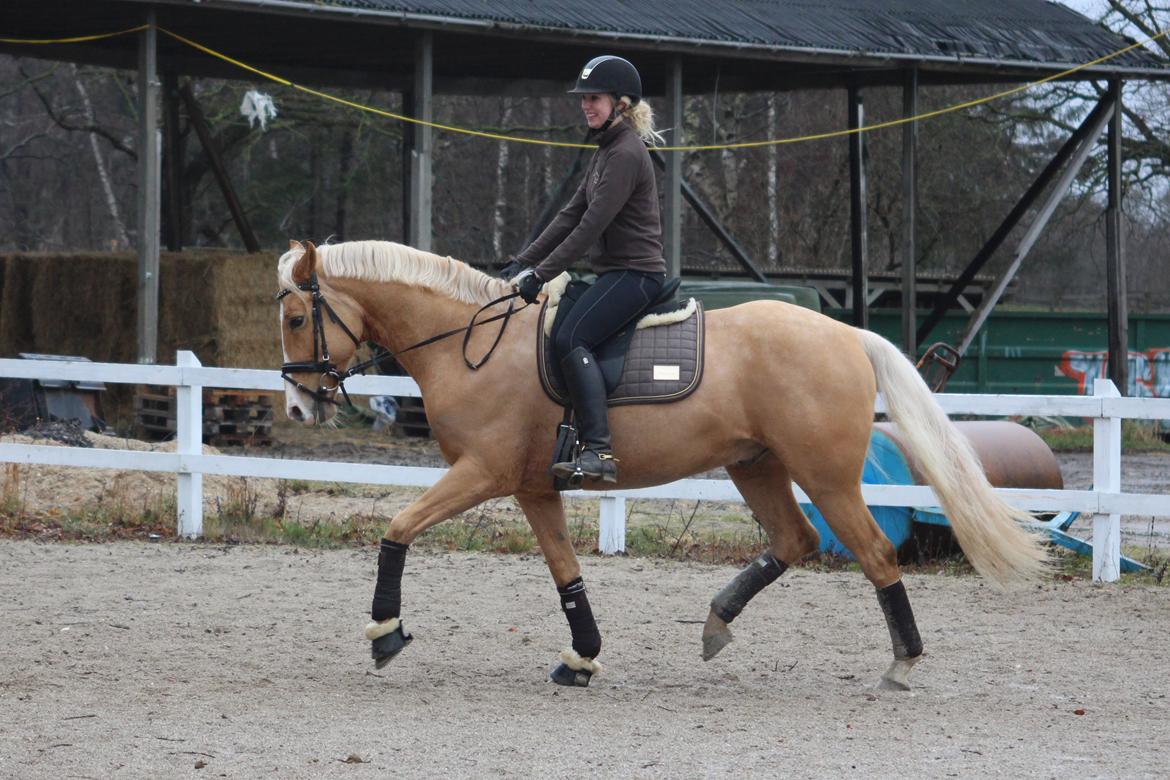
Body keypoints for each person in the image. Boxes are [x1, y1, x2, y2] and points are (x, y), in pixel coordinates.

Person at [510, 55, 668, 484]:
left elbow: (589, 227)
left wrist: (540, 275)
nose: (586, 106)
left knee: (570, 335)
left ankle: (598, 450)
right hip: (613, 274)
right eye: (583, 99)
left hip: (636, 275)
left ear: (621, 103)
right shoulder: (604, 152)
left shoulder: (626, 153)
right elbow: (567, 216)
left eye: (593, 99)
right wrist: (524, 261)